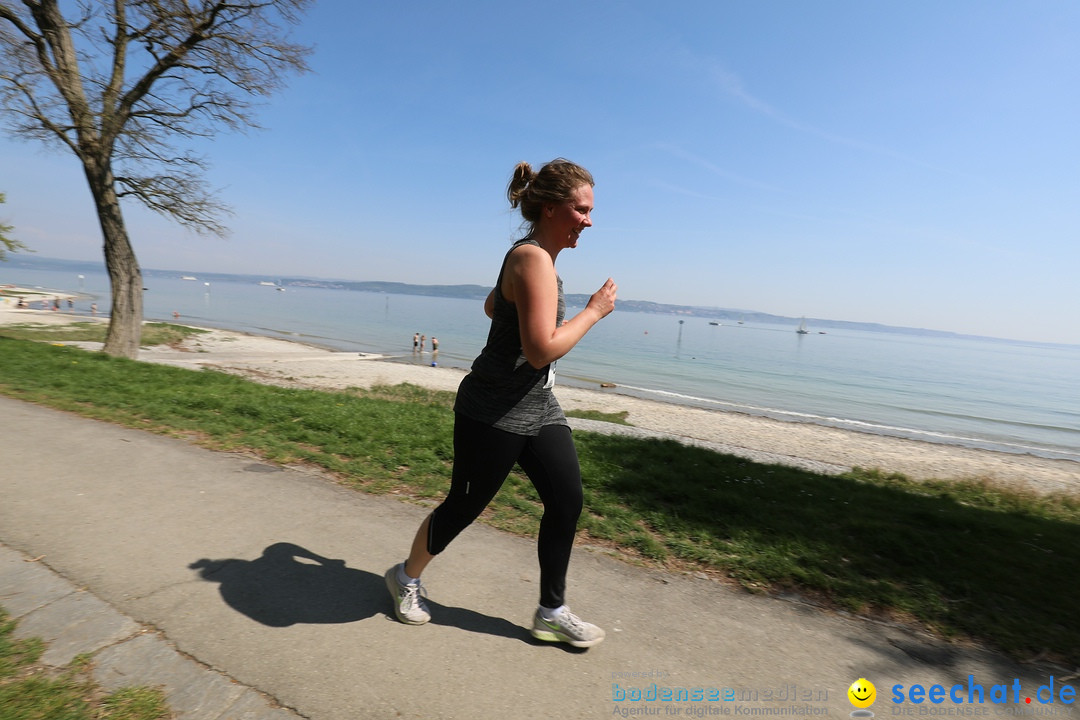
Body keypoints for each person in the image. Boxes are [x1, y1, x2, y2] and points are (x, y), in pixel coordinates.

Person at [385, 158, 617, 648]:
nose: (589, 221)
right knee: (464, 506)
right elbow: (540, 351)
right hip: (491, 410)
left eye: (590, 211)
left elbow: (493, 305)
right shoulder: (533, 259)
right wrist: (593, 312)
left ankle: (551, 610)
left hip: (537, 407)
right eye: (582, 210)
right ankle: (405, 578)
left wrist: (514, 303)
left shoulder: (533, 259)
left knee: (566, 499)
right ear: (552, 209)